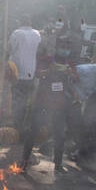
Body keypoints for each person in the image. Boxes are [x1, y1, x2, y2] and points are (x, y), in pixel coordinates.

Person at [20, 37, 76, 173]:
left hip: (59, 106)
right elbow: (37, 73)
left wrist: (70, 74)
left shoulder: (70, 63)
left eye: (68, 47)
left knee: (60, 135)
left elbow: (76, 78)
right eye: (63, 46)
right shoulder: (46, 60)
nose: (65, 49)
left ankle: (57, 164)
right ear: (57, 47)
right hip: (42, 103)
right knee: (33, 132)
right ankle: (24, 162)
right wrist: (48, 71)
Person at [9, 15, 42, 131]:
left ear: (20, 22)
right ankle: (23, 125)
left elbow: (10, 49)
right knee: (26, 101)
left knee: (17, 100)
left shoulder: (17, 33)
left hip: (17, 72)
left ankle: (16, 126)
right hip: (31, 72)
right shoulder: (37, 33)